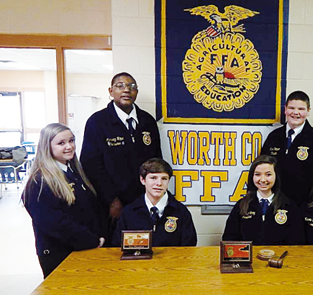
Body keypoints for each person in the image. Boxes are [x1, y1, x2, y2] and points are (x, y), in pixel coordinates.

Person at [80, 72, 162, 242]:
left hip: (142, 200)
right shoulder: (97, 122)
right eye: (120, 86)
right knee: (115, 249)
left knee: (143, 246)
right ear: (110, 91)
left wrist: (154, 195)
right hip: (111, 204)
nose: (126, 90)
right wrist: (112, 200)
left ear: (136, 92)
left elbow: (156, 162)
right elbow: (90, 165)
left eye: (132, 86)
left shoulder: (147, 121)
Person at [22, 123, 105, 278]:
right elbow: (55, 224)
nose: (69, 146)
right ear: (47, 147)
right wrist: (92, 240)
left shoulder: (73, 172)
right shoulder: (39, 182)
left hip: (83, 249)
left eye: (71, 141)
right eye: (61, 143)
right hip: (59, 254)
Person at [260, 91, 313, 206]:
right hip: (275, 204)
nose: (296, 112)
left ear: (308, 111)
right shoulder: (273, 137)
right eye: (291, 108)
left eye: (301, 109)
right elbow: (261, 169)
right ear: (285, 109)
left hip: (306, 205)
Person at [113, 158, 197, 247]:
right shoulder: (129, 212)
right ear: (143, 180)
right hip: (138, 260)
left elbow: (189, 246)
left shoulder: (181, 211)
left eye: (164, 178)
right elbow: (117, 245)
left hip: (171, 260)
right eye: (153, 178)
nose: (159, 183)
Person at [222, 155, 304, 245]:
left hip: (279, 258)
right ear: (252, 176)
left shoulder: (289, 206)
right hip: (248, 258)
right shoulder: (241, 205)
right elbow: (229, 239)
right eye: (257, 174)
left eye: (268, 174)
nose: (263, 179)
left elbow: (296, 242)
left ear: (276, 175)